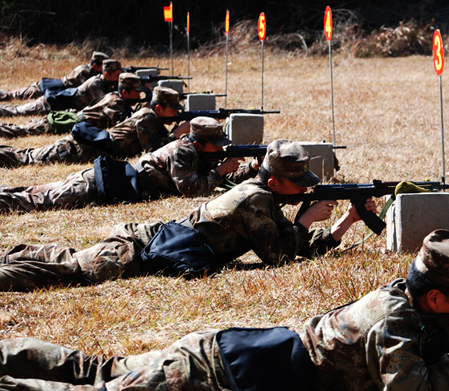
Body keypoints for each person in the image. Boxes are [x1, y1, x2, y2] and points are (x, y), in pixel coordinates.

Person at [0, 229, 449, 391]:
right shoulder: (394, 321)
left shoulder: (420, 311)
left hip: (228, 354)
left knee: (99, 371)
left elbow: (445, 365)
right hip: (216, 376)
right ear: (434, 296)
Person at [0, 139, 375, 290]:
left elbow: (289, 248)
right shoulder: (254, 200)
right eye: (299, 184)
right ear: (274, 182)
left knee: (68, 261)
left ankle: (12, 255)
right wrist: (306, 221)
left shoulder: (265, 198)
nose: (306, 189)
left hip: (152, 241)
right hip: (140, 248)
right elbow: (280, 255)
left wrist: (344, 223)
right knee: (74, 272)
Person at [0, 116, 254, 214]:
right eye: (216, 144)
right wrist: (221, 169)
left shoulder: (195, 153)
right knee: (39, 200)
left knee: (36, 192)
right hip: (100, 185)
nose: (220, 149)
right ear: (199, 144)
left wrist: (251, 169)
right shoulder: (182, 152)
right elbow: (191, 189)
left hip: (111, 180)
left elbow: (220, 178)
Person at [0, 83, 187, 167]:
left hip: (91, 148)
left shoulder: (153, 118)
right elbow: (154, 151)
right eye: (173, 109)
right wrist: (177, 133)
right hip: (79, 149)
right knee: (27, 158)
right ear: (160, 108)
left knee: (27, 155)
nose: (176, 113)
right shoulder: (146, 117)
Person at [0, 59, 122, 117]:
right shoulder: (95, 84)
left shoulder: (103, 83)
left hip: (59, 105)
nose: (119, 78)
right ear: (106, 74)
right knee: (16, 111)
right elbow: (102, 104)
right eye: (117, 75)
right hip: (51, 104)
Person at [0, 51, 108, 101]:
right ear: (95, 65)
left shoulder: (89, 70)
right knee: (15, 95)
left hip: (53, 87)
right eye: (102, 66)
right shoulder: (84, 71)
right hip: (48, 87)